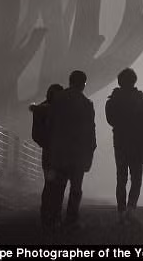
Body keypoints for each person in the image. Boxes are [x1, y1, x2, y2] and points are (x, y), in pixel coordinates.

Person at [43, 70, 96, 229]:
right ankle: (71, 219)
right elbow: (90, 131)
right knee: (76, 188)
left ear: (70, 81)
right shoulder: (86, 104)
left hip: (59, 150)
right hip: (78, 153)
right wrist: (90, 151)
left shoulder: (57, 99)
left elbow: (49, 124)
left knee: (58, 187)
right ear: (83, 84)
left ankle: (54, 218)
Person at [106, 67, 143, 224]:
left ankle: (121, 210)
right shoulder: (140, 98)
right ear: (134, 81)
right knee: (136, 177)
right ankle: (131, 208)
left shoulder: (113, 100)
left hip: (120, 141)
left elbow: (110, 120)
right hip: (137, 142)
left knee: (121, 177)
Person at [29, 83, 63, 228]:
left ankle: (52, 215)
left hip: (54, 153)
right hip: (55, 153)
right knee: (53, 185)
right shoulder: (62, 110)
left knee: (55, 185)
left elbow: (36, 135)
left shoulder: (41, 109)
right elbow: (36, 134)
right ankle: (50, 215)